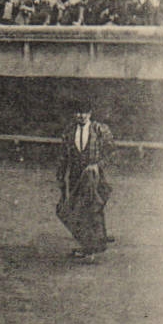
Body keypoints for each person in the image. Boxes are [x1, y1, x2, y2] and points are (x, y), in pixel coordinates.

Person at [56, 107, 115, 261]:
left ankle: (90, 248)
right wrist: (61, 177)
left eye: (84, 113)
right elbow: (63, 157)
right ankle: (94, 242)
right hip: (76, 176)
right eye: (78, 112)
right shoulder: (69, 131)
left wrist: (97, 165)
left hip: (95, 176)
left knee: (91, 208)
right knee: (77, 210)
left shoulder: (100, 129)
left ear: (90, 113)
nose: (81, 116)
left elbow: (112, 153)